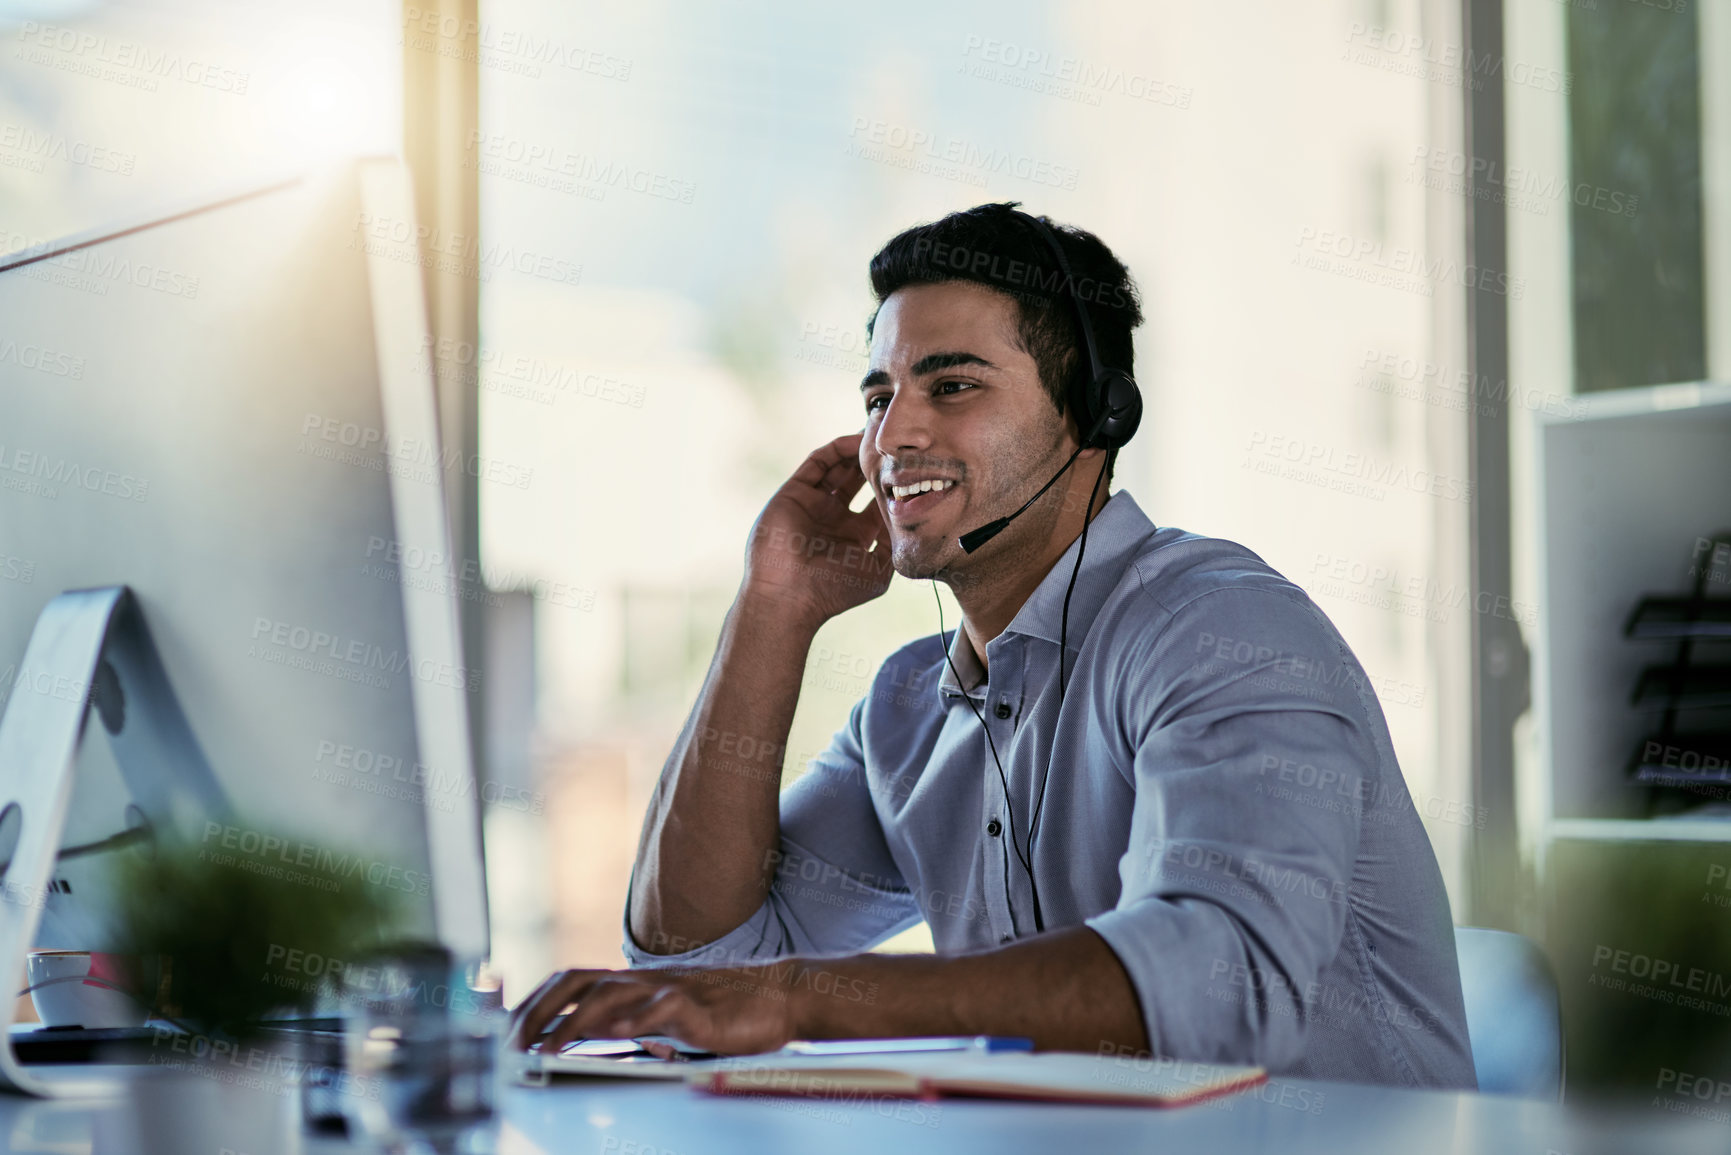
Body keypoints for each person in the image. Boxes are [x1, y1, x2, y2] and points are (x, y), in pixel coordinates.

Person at [511, 203, 1478, 1089]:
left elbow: (1222, 985)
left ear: (1097, 417)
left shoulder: (1220, 630)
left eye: (953, 384)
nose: (891, 435)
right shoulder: (910, 712)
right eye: (878, 395)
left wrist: (807, 998)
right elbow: (702, 966)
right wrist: (771, 608)